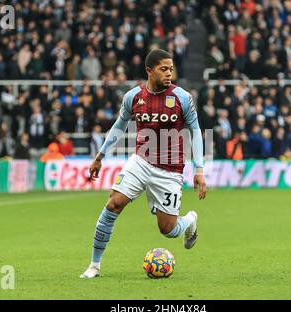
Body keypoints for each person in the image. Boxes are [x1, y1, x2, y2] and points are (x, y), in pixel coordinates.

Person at [80, 49, 206, 279]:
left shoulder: (182, 98)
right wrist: (100, 155)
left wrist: (199, 169)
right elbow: (119, 126)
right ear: (149, 70)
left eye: (171, 69)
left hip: (169, 170)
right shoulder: (133, 97)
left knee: (167, 229)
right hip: (141, 162)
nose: (169, 73)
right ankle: (94, 265)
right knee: (113, 205)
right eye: (163, 69)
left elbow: (196, 132)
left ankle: (189, 220)